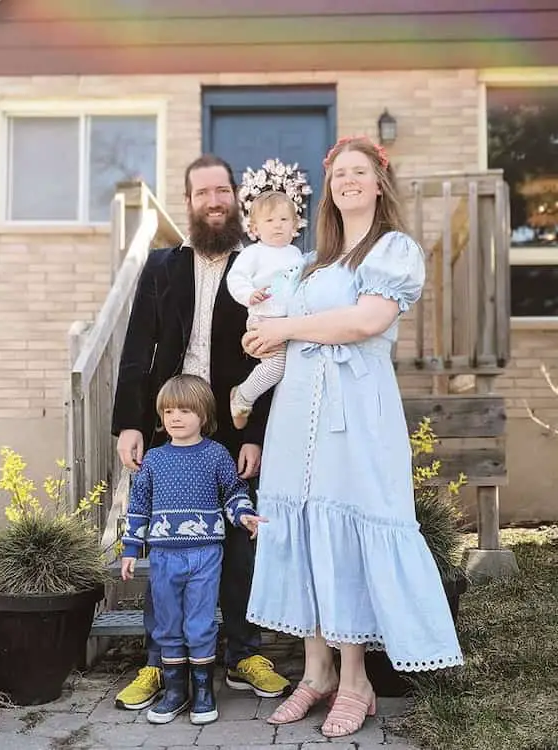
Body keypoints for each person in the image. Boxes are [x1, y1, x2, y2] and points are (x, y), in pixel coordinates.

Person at [242, 136, 464, 739]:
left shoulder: (392, 250)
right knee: (308, 525)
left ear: (378, 182)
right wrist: (261, 332)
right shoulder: (313, 263)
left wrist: (288, 326)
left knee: (345, 524)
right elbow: (282, 325)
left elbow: (366, 321)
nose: (347, 181)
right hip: (297, 415)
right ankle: (314, 674)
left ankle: (355, 679)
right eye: (339, 173)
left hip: (355, 412)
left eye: (358, 172)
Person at [111, 154, 289, 712]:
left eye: (222, 191)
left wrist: (257, 433)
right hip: (173, 425)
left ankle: (241, 653)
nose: (213, 201)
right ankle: (155, 662)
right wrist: (129, 424)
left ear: (236, 197)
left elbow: (274, 354)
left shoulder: (259, 266)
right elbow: (137, 350)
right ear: (187, 202)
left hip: (235, 426)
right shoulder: (162, 266)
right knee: (163, 548)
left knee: (238, 543)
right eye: (201, 193)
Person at [121, 374, 267, 725]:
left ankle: (204, 691)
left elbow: (233, 492)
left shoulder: (216, 455)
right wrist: (130, 548)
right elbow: (138, 506)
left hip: (205, 554)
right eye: (168, 410)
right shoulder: (154, 460)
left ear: (204, 415)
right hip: (164, 556)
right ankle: (175, 691)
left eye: (185, 410)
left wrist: (244, 516)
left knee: (200, 623)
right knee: (168, 623)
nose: (175, 418)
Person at [226, 190, 303, 429]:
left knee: (293, 370)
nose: (277, 226)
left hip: (289, 323)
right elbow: (235, 278)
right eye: (269, 221)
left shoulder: (296, 254)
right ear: (255, 228)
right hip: (264, 319)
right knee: (275, 367)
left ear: (294, 225)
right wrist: (249, 295)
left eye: (283, 220)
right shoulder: (254, 253)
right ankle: (242, 397)